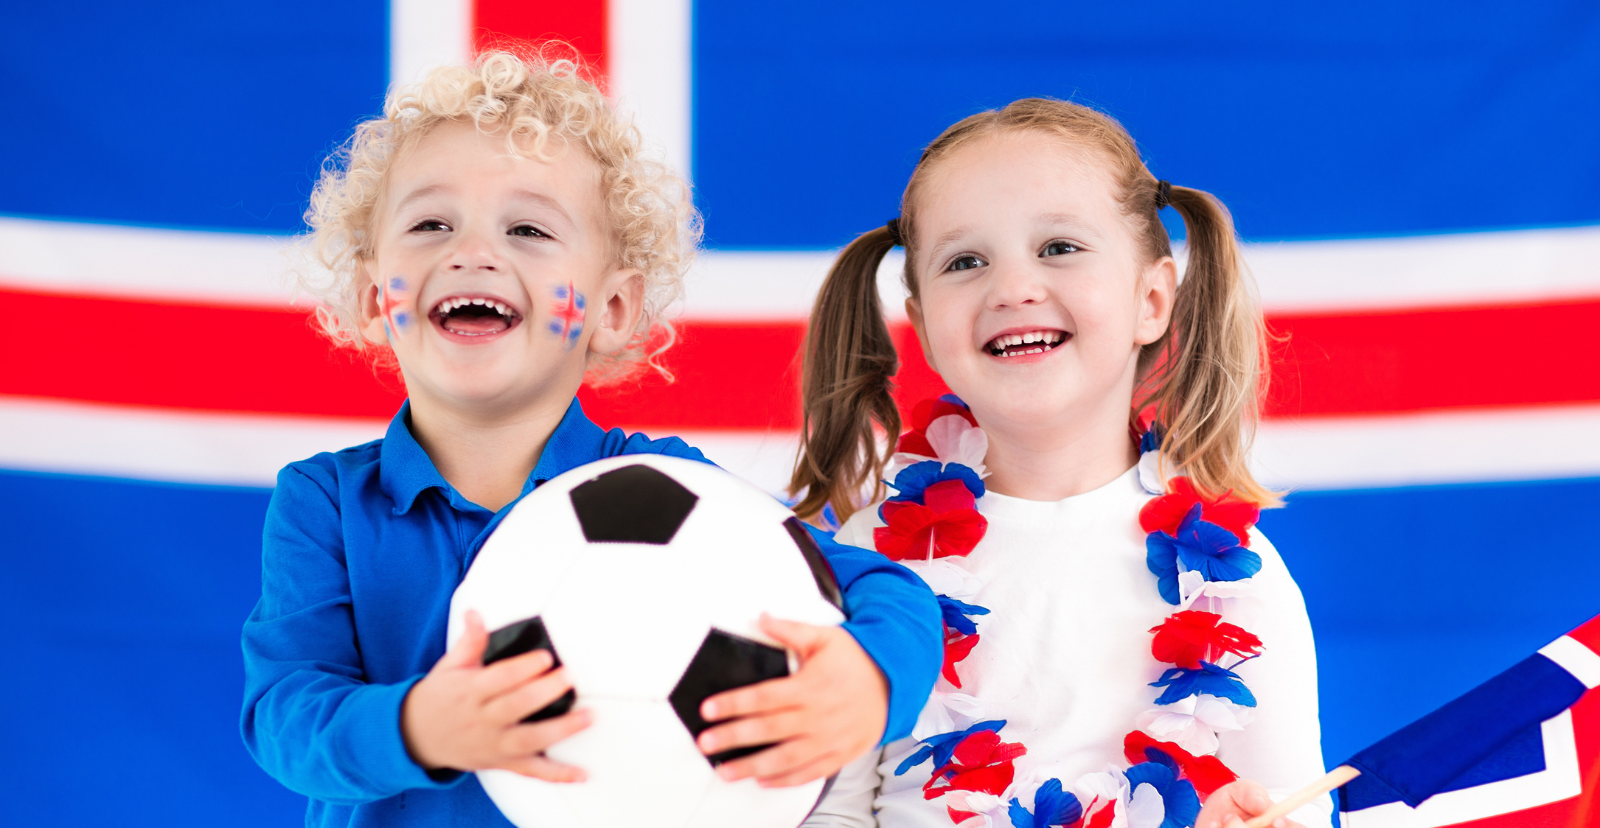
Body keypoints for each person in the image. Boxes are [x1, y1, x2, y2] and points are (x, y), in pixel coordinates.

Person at [240, 49, 942, 828]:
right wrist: (420, 726)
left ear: (612, 309)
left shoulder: (667, 489)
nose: (472, 251)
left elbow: (883, 589)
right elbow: (284, 715)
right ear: (376, 297)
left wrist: (867, 676)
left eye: (530, 228)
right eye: (431, 222)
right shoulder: (329, 504)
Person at [791, 98, 1329, 828]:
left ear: (1151, 299)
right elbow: (826, 812)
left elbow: (1292, 809)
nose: (1012, 287)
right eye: (965, 261)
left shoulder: (1239, 586)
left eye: (1059, 248)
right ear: (922, 325)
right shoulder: (868, 562)